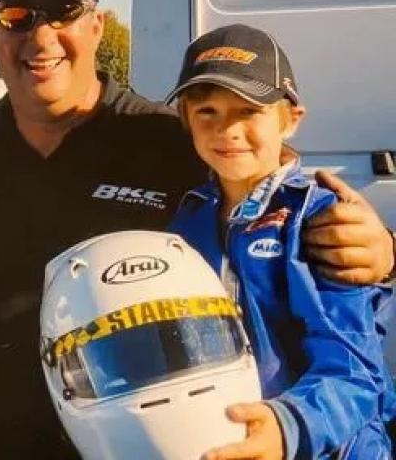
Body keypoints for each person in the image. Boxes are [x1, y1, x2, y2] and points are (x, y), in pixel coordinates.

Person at [0, 0, 396, 459]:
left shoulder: (172, 142)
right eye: (18, 17)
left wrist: (381, 251)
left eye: (63, 13)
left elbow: (271, 205)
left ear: (96, 27)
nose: (41, 37)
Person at [166, 23, 395, 459]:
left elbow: (355, 371)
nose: (227, 130)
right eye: (207, 112)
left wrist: (287, 426)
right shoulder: (186, 220)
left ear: (290, 119)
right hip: (233, 441)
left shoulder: (322, 219)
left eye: (248, 111)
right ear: (185, 119)